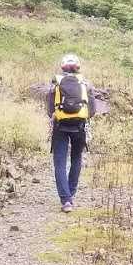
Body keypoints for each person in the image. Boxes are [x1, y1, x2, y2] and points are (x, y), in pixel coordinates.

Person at [50, 53, 92, 213]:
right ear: (77, 67)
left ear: (63, 67)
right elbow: (92, 109)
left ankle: (66, 200)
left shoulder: (56, 84)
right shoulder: (84, 84)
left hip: (60, 126)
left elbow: (50, 108)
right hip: (79, 126)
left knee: (60, 163)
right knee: (76, 158)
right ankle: (71, 193)